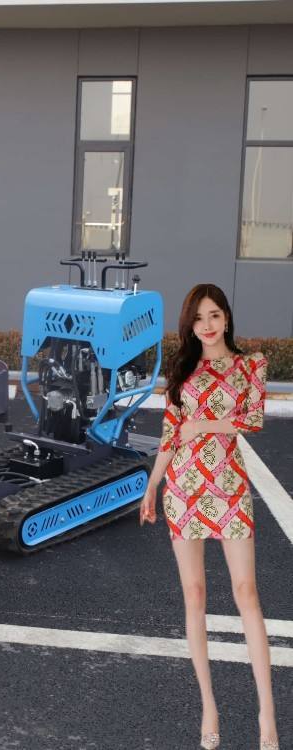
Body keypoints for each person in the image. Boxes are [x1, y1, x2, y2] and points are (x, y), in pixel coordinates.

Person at [139, 283, 278, 750]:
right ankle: (209, 706)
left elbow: (253, 419)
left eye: (214, 315)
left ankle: (266, 714)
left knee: (247, 593)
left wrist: (205, 424)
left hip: (230, 486)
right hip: (184, 488)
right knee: (194, 596)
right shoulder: (182, 371)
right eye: (198, 318)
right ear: (190, 325)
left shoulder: (249, 365)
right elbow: (170, 433)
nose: (207, 325)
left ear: (226, 317)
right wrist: (153, 484)